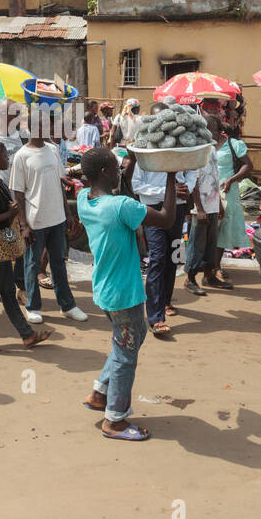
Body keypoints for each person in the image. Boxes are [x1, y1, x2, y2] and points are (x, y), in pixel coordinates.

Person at [79, 148, 177, 441]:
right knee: (126, 353)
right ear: (107, 172)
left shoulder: (86, 200)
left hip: (106, 288)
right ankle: (115, 420)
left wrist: (131, 163)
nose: (122, 172)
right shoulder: (121, 206)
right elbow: (167, 218)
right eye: (117, 167)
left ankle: (100, 393)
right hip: (123, 293)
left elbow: (126, 195)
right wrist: (171, 176)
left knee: (130, 339)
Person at [0, 138, 51, 353]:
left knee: (6, 291)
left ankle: (27, 335)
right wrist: (11, 213)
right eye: (5, 156)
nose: (8, 159)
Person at [11, 118, 88, 325]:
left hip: (57, 219)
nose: (53, 131)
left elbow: (59, 184)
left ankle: (67, 305)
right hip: (35, 221)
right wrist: (24, 225)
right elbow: (18, 194)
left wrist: (68, 214)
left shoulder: (53, 150)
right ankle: (33, 307)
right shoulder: (22, 156)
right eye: (49, 127)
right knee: (32, 264)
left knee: (58, 263)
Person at [126, 156, 195, 334]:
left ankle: (165, 301)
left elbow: (193, 169)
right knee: (157, 258)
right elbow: (137, 185)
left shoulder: (179, 149)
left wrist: (188, 187)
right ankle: (156, 318)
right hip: (152, 210)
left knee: (173, 257)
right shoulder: (145, 155)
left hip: (177, 208)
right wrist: (168, 190)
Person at [184, 115, 224, 296]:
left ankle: (209, 276)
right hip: (200, 206)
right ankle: (190, 279)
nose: (213, 130)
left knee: (210, 242)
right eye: (210, 126)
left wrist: (219, 204)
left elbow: (214, 176)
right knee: (197, 243)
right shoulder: (196, 148)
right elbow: (193, 179)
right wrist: (199, 208)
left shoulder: (212, 147)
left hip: (213, 202)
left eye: (215, 127)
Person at [210, 119, 252, 286]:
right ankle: (207, 265)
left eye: (212, 128)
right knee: (208, 227)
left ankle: (216, 265)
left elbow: (248, 165)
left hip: (227, 191)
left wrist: (232, 179)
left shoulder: (234, 144)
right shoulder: (203, 145)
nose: (209, 131)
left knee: (223, 227)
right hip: (208, 191)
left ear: (220, 129)